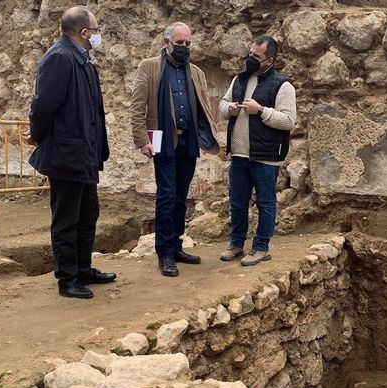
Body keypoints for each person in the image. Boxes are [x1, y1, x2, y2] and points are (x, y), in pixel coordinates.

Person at [25, 5, 115, 299]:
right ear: (84, 32)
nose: (98, 35)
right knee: (66, 218)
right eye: (96, 30)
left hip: (85, 153)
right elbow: (43, 105)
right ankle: (67, 279)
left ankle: (83, 268)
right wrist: (37, 135)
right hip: (66, 153)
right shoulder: (60, 58)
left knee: (88, 212)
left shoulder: (82, 60)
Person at [130, 22, 219, 277]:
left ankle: (177, 246)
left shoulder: (196, 72)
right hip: (163, 141)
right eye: (179, 43)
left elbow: (202, 105)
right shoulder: (150, 67)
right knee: (167, 196)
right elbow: (137, 107)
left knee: (181, 196)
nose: (184, 47)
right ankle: (165, 253)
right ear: (166, 42)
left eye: (188, 43)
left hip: (188, 142)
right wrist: (141, 140)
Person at [218, 36, 296, 266]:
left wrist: (261, 110)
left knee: (265, 203)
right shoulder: (239, 80)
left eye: (256, 56)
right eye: (250, 53)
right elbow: (222, 105)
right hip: (239, 155)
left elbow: (289, 120)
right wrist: (229, 108)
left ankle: (261, 248)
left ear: (269, 60)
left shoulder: (282, 85)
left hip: (266, 157)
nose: (250, 58)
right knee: (237, 201)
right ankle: (236, 244)